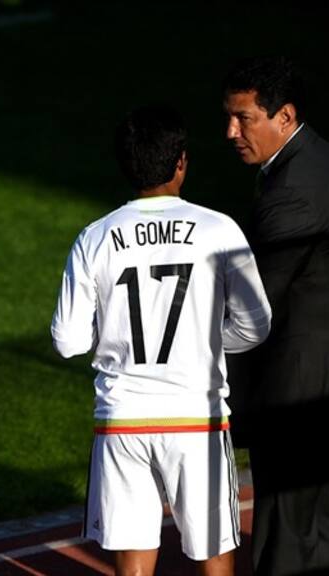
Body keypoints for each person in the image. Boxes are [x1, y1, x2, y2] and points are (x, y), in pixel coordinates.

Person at [51, 105, 272, 576]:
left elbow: (67, 341)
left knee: (132, 564)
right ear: (181, 163)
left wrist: (112, 336)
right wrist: (206, 341)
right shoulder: (219, 230)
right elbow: (256, 325)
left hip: (122, 423)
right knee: (214, 558)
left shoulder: (94, 238)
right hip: (197, 420)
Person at [223, 56, 329, 575]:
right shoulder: (320, 161)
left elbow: (255, 302)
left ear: (283, 116)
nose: (231, 131)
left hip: (302, 386)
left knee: (288, 528)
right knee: (318, 519)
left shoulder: (293, 191)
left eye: (243, 118)